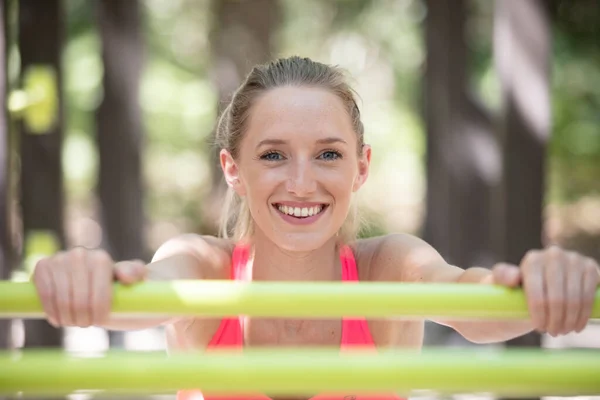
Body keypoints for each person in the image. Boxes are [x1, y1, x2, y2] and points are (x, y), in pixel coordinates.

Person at [33, 56, 599, 400]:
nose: (302, 183)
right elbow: (143, 296)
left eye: (328, 155)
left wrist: (538, 283)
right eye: (274, 155)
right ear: (233, 169)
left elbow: (471, 301)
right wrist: (89, 279)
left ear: (361, 167)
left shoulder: (389, 269)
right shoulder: (201, 265)